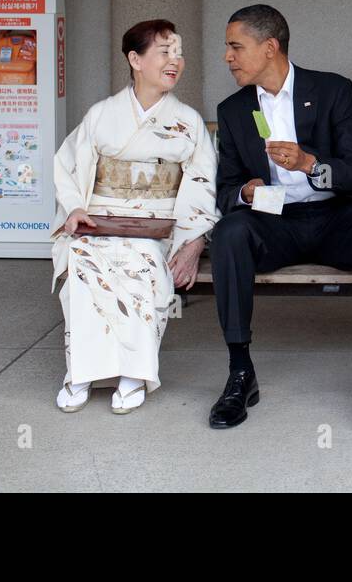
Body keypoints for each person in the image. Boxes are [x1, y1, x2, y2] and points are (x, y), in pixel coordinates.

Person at [208, 4, 352, 432]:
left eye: (235, 46)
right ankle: (240, 371)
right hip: (274, 221)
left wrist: (310, 163)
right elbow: (225, 189)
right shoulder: (234, 109)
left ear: (270, 47)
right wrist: (245, 191)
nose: (227, 57)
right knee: (229, 232)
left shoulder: (332, 90)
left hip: (335, 216)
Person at [50, 20, 217, 414]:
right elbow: (67, 166)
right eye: (164, 52)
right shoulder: (102, 114)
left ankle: (133, 372)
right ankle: (82, 372)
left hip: (158, 227)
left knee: (141, 263)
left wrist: (192, 241)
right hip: (100, 219)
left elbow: (201, 182)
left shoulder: (188, 121)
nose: (175, 61)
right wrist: (75, 208)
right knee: (82, 261)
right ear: (135, 59)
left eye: (178, 53)